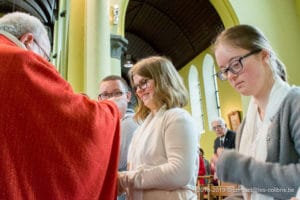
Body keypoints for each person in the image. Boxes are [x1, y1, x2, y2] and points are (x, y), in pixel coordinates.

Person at [0, 12, 121, 200]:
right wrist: (111, 109)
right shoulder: (19, 60)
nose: (46, 64)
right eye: (46, 58)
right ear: (28, 40)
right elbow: (77, 120)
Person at [212, 24, 300, 199]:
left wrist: (240, 168)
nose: (230, 76)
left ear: (264, 56)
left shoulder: (294, 103)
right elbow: (247, 191)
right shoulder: (246, 125)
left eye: (235, 64)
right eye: (224, 71)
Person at [118, 56, 199, 199]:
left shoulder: (178, 117)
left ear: (163, 79)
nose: (139, 91)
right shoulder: (143, 127)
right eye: (136, 86)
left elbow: (179, 173)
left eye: (143, 83)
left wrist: (125, 179)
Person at [98, 75, 139, 200]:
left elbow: (115, 164)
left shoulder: (128, 123)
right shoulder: (109, 123)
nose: (111, 99)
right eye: (105, 94)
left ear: (127, 96)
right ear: (99, 99)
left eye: (117, 93)